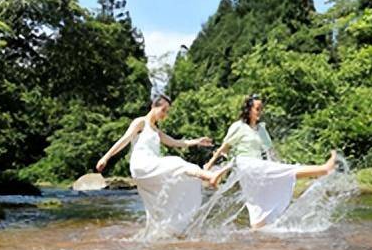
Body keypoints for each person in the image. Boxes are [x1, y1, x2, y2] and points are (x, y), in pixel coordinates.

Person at [96, 94, 229, 235]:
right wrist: (106, 157)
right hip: (142, 165)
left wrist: (197, 141)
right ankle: (209, 176)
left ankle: (165, 233)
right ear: (154, 106)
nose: (165, 114)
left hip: (152, 166)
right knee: (177, 162)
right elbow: (124, 139)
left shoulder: (156, 130)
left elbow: (175, 143)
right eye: (163, 110)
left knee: (173, 191)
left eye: (167, 111)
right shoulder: (141, 122)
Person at [204, 94, 337, 228]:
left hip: (257, 168)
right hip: (245, 165)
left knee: (258, 203)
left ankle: (256, 232)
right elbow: (224, 147)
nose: (260, 112)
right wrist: (209, 165)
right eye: (257, 108)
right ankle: (324, 169)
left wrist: (278, 164)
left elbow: (270, 151)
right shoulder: (238, 126)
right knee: (287, 172)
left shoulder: (261, 129)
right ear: (248, 110)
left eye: (261, 109)